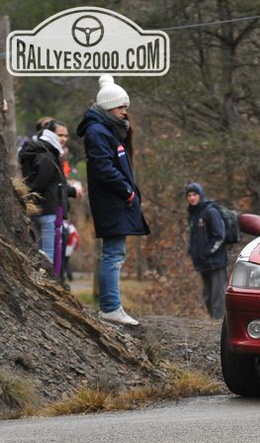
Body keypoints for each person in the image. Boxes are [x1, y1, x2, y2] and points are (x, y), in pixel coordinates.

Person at [77, 75, 150, 326]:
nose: (125, 112)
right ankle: (110, 307)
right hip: (112, 202)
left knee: (116, 253)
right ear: (108, 107)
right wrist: (127, 191)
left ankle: (113, 304)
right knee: (113, 254)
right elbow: (104, 168)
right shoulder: (97, 132)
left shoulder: (108, 130)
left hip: (116, 202)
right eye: (121, 107)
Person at [18, 120, 75, 269]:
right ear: (51, 134)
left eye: (66, 135)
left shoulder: (41, 152)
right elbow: (41, 184)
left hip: (40, 209)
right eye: (60, 135)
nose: (63, 138)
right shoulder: (48, 156)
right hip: (49, 210)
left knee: (41, 253)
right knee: (49, 257)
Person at [185, 183, 228, 320]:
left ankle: (220, 323)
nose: (192, 198)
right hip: (202, 263)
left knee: (218, 295)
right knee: (207, 295)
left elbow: (220, 235)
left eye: (194, 195)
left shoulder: (210, 212)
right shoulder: (193, 215)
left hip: (215, 261)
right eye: (189, 195)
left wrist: (208, 252)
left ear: (201, 195)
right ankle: (213, 320)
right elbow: (194, 238)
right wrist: (193, 251)